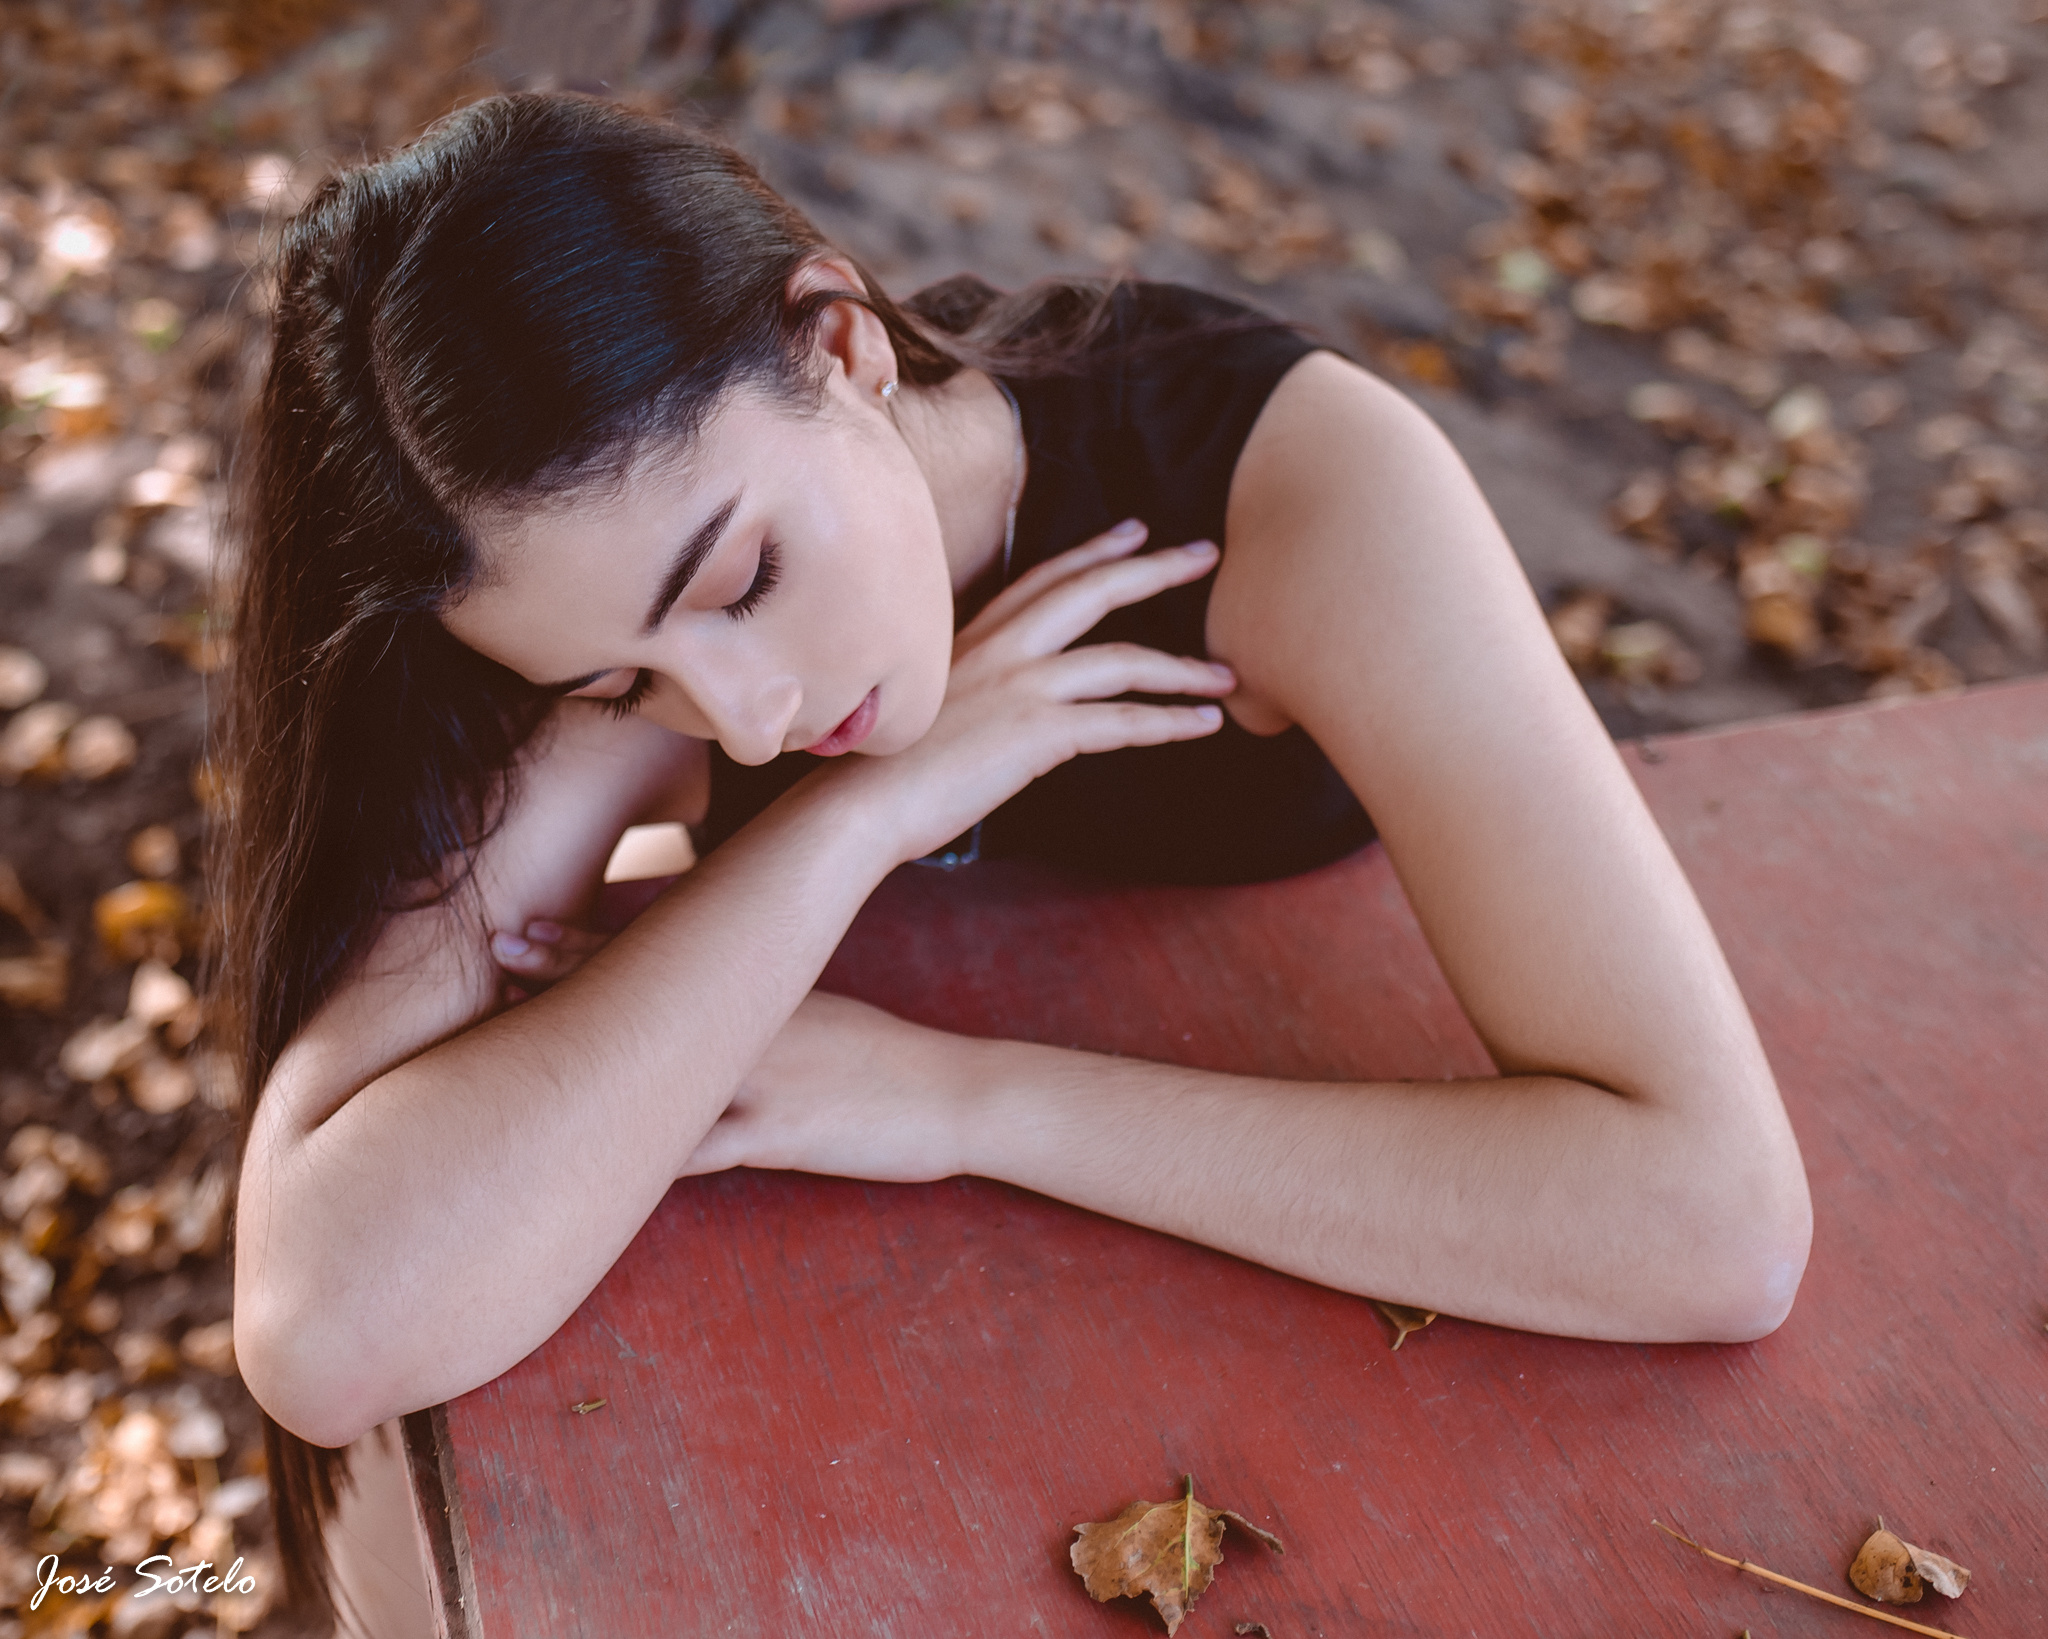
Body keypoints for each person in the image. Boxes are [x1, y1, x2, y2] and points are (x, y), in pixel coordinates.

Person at [215, 90, 1811, 1634]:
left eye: (752, 579)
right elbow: (327, 1325)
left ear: (837, 344)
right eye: (626, 688)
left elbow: (1712, 1223)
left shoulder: (1285, 488)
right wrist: (861, 822)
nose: (750, 724)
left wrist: (960, 1100)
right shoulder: (606, 584)